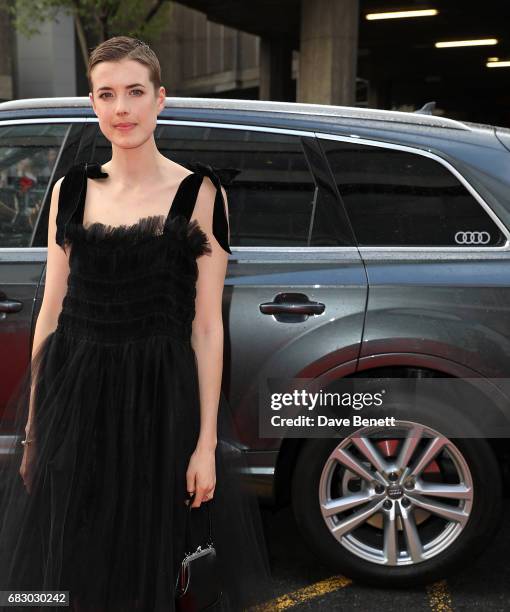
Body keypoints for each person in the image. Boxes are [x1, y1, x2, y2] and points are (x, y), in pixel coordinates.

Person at [0, 36, 272, 611]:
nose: (121, 108)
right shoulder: (69, 190)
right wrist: (33, 431)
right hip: (74, 399)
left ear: (160, 100)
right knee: (72, 556)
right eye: (106, 94)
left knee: (153, 555)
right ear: (93, 104)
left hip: (158, 404)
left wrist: (205, 446)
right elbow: (50, 312)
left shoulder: (200, 194)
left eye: (134, 92)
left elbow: (205, 327)